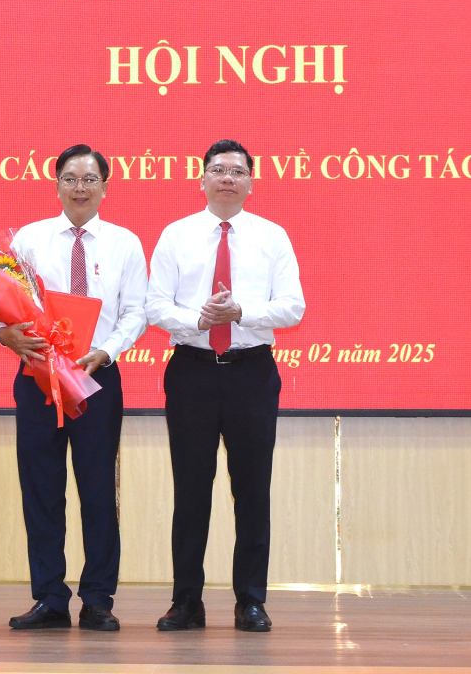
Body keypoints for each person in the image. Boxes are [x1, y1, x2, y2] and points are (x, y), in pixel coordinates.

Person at [145, 139, 305, 633]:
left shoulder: (272, 236)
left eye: (237, 171)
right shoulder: (177, 235)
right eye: (218, 169)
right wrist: (198, 318)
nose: (227, 178)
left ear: (251, 182)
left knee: (252, 490)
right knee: (191, 490)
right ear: (202, 178)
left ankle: (251, 601)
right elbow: (155, 306)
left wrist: (242, 313)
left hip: (251, 372)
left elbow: (293, 307)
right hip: (192, 370)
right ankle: (185, 602)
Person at [0, 144, 148, 632]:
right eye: (70, 178)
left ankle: (99, 598)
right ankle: (50, 597)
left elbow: (135, 313)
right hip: (38, 374)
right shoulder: (30, 239)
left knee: (99, 489)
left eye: (89, 179)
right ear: (56, 183)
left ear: (105, 184)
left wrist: (106, 351)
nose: (79, 187)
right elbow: (5, 301)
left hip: (97, 376)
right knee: (41, 489)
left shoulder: (125, 242)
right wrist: (5, 335)